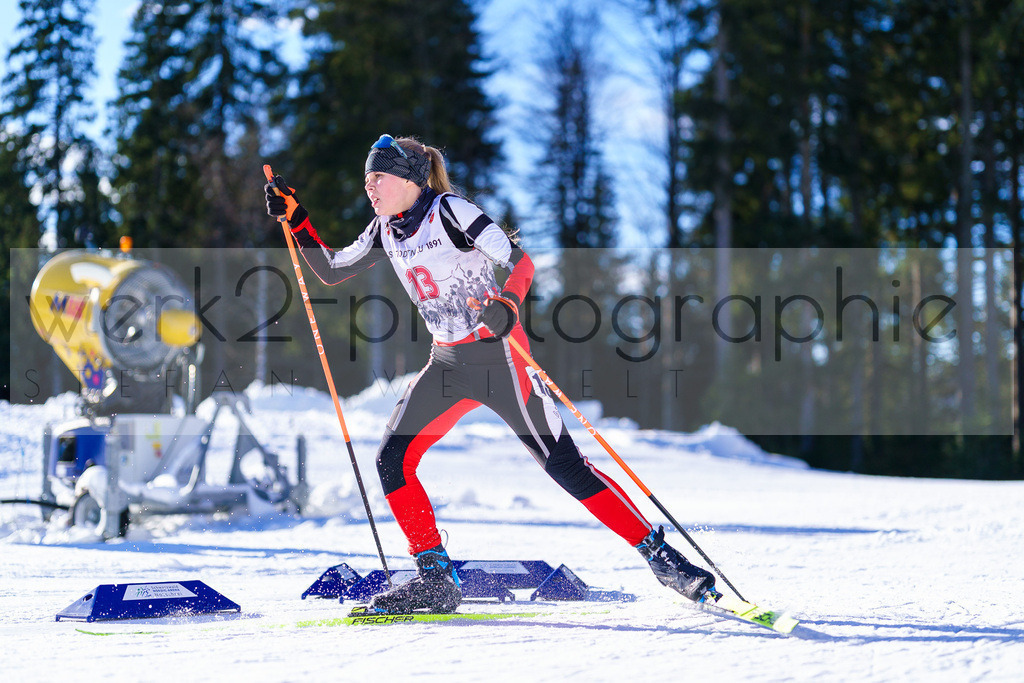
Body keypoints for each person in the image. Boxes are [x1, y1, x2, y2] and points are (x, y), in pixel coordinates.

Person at [265, 134, 715, 614]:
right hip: (448, 364)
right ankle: (435, 579)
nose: (369, 187)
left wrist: (507, 302)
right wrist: (297, 219)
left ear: (410, 178)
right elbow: (332, 270)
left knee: (565, 468)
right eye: (366, 178)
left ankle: (664, 559)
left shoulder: (452, 212)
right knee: (392, 460)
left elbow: (520, 261)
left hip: (500, 356)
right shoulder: (384, 228)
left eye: (379, 177)